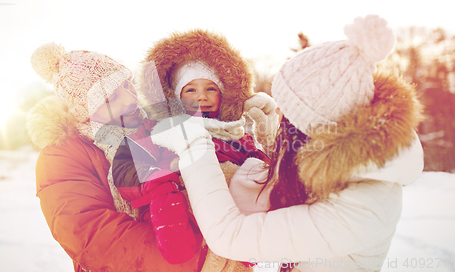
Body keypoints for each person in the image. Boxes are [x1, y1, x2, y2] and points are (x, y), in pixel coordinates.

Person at [149, 15, 425, 271]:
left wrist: (194, 144)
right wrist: (267, 137)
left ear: (309, 128)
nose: (283, 121)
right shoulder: (344, 164)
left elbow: (230, 234)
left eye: (288, 119)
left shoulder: (362, 209)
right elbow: (279, 188)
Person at [26, 43, 206, 272]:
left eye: (127, 83)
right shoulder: (61, 156)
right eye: (111, 97)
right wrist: (200, 260)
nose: (130, 98)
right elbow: (96, 239)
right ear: (85, 110)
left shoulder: (155, 127)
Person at [129, 29, 277, 272]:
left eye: (211, 89)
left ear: (224, 95)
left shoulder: (236, 133)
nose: (202, 97)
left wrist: (268, 139)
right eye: (190, 90)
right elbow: (142, 175)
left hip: (237, 243)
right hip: (191, 239)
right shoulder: (164, 132)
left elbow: (264, 170)